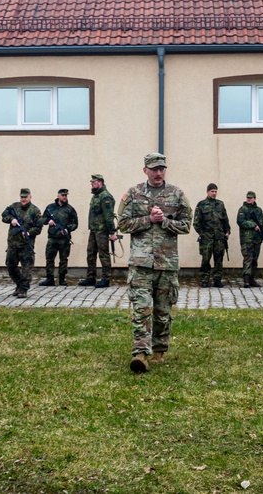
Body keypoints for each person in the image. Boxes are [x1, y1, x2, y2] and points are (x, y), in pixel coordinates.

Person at [118, 153, 191, 372]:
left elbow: (187, 225)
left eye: (162, 169)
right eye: (154, 169)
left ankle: (159, 349)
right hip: (141, 263)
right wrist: (147, 220)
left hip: (167, 264)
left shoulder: (176, 194)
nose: (159, 173)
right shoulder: (133, 193)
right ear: (145, 170)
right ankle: (140, 353)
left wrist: (165, 221)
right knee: (141, 309)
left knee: (162, 311)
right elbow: (122, 224)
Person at [1, 188, 43, 298]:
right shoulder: (13, 207)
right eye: (22, 197)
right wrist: (11, 219)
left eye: (25, 197)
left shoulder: (35, 211)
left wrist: (29, 233)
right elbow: (4, 216)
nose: (23, 199)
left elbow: (38, 228)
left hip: (26, 245)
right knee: (10, 265)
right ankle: (19, 284)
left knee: (27, 268)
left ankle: (23, 289)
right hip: (13, 243)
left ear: (30, 197)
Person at [79, 174, 118, 288]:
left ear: (100, 182)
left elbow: (108, 216)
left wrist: (111, 232)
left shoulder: (105, 197)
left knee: (103, 254)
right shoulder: (96, 196)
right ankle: (91, 277)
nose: (91, 184)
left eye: (93, 182)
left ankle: (106, 278)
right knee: (90, 253)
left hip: (102, 230)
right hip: (94, 229)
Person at [193, 183, 230, 288]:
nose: (214, 193)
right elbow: (196, 222)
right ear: (207, 192)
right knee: (205, 259)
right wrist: (202, 233)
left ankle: (217, 279)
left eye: (215, 191)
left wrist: (227, 231)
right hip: (207, 238)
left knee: (219, 259)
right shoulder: (201, 205)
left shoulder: (220, 204)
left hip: (219, 237)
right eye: (212, 191)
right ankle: (205, 279)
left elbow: (225, 220)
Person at [40, 188, 79, 286]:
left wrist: (67, 229)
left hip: (64, 239)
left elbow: (75, 223)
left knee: (63, 259)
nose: (64, 197)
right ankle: (50, 278)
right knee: (49, 258)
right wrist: (48, 221)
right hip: (52, 238)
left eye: (66, 195)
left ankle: (62, 279)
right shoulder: (50, 208)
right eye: (62, 195)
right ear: (58, 196)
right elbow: (42, 219)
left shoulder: (70, 209)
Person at [236, 190, 263, 288]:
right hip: (247, 239)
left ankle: (252, 279)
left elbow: (262, 225)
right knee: (248, 258)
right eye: (248, 198)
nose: (249, 199)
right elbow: (240, 222)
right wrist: (253, 225)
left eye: (251, 198)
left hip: (256, 239)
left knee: (255, 259)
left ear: (254, 199)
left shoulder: (259, 210)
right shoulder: (242, 209)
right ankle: (246, 279)